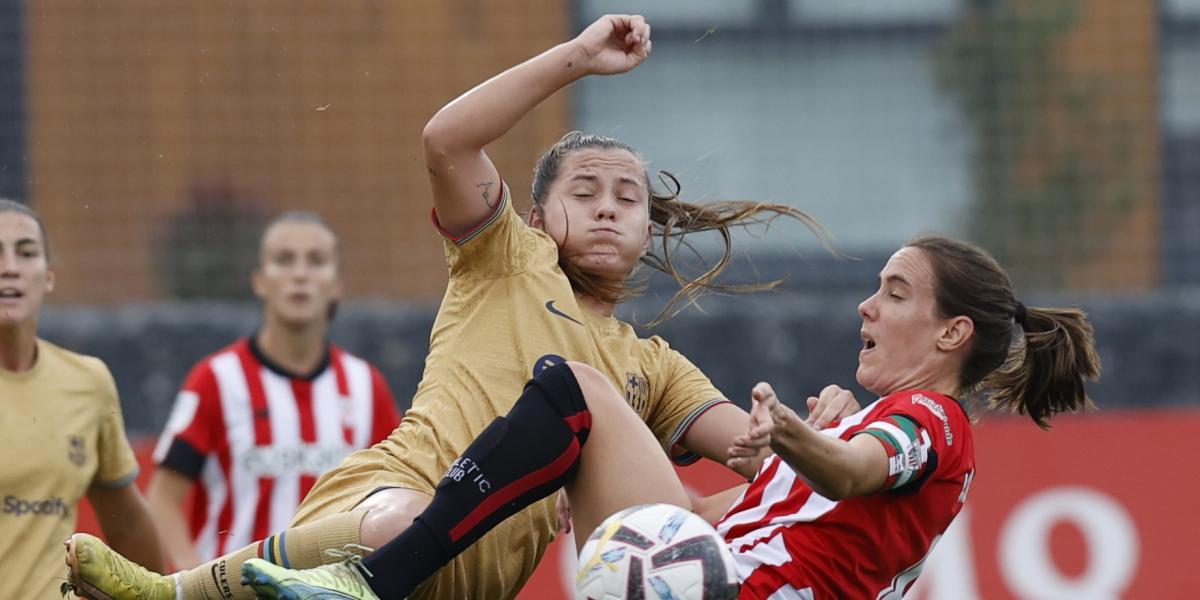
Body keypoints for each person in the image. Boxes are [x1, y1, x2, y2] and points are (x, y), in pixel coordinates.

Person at [63, 14, 856, 600]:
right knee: (403, 524)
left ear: (649, 225)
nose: (611, 208)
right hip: (385, 505)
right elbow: (445, 140)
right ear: (538, 217)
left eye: (627, 198)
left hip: (480, 582)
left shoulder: (653, 367)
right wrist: (577, 59)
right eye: (586, 192)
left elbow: (751, 459)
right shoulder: (506, 256)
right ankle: (176, 594)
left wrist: (808, 435)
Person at [235, 235, 1101, 599]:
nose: (867, 308)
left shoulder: (932, 423)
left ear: (953, 332)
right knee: (570, 403)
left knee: (573, 386)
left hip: (719, 588)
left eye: (895, 292)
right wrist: (580, 470)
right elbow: (730, 514)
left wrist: (795, 437)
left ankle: (372, 581)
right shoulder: (886, 422)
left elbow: (858, 472)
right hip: (703, 567)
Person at [147, 211, 402, 570]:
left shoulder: (365, 386)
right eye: (284, 260)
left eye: (316, 261)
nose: (300, 274)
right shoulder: (216, 380)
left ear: (338, 284)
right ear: (259, 281)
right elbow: (162, 499)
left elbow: (395, 494)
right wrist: (194, 582)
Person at [0, 199, 166, 599]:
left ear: (49, 275)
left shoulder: (88, 382)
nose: (9, 267)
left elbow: (125, 521)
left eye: (26, 253)